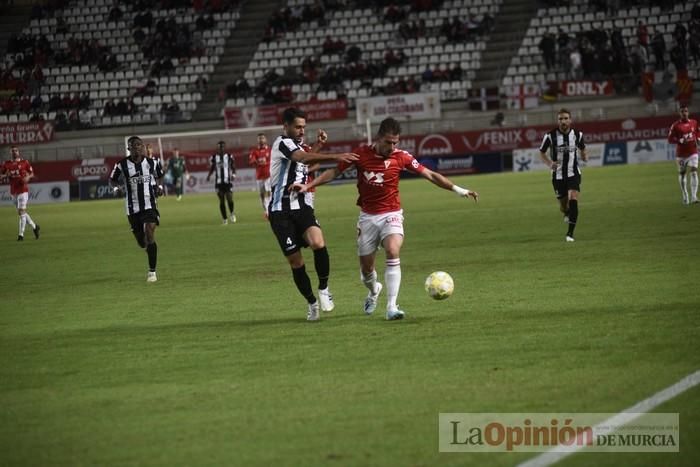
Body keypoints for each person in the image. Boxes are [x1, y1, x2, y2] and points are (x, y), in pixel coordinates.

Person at [292, 117, 478, 321]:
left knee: (392, 249)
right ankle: (374, 290)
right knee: (366, 271)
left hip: (392, 214)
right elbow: (333, 172)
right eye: (388, 142)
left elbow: (431, 175)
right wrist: (308, 186)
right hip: (368, 218)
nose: (392, 147)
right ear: (379, 138)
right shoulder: (361, 154)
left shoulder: (401, 157)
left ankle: (392, 306)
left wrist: (459, 190)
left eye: (395, 142)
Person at [269, 107, 359, 321]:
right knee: (296, 262)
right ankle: (311, 303)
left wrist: (319, 145)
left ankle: (324, 288)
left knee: (318, 243)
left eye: (303, 127)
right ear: (286, 127)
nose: (301, 130)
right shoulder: (281, 143)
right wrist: (336, 155)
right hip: (280, 212)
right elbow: (302, 157)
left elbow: (305, 159)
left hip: (301, 206)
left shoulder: (299, 145)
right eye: (298, 127)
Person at [109, 136, 165, 282]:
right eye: (134, 145)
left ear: (143, 147)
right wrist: (116, 188)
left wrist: (159, 187)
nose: (137, 147)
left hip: (149, 205)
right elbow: (112, 179)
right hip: (132, 208)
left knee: (150, 231)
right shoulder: (121, 165)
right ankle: (147, 247)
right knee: (142, 242)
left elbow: (160, 176)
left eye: (139, 145)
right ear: (129, 149)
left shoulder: (152, 162)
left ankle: (152, 272)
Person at [539, 108, 588, 242]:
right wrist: (550, 164)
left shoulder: (578, 135)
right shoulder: (550, 136)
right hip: (558, 176)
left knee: (573, 198)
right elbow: (542, 153)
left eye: (566, 118)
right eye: (560, 119)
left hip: (573, 173)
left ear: (570, 120)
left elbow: (583, 148)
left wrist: (584, 156)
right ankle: (566, 212)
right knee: (563, 205)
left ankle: (570, 234)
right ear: (558, 121)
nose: (563, 121)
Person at [1, 145, 40, 241]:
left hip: (23, 190)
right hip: (13, 191)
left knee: (21, 212)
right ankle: (35, 227)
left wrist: (28, 177)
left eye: (16, 151)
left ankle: (21, 235)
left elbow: (32, 173)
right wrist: (6, 174)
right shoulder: (6, 164)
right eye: (12, 151)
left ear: (18, 152)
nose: (14, 152)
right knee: (21, 212)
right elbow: (1, 175)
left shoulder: (24, 162)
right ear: (10, 153)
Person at [667, 104, 700, 204]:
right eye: (682, 111)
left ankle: (694, 196)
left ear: (688, 112)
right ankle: (685, 195)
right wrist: (679, 140)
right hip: (681, 154)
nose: (684, 113)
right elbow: (669, 139)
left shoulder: (694, 122)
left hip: (693, 152)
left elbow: (698, 132)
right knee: (682, 173)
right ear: (679, 113)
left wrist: (698, 139)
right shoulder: (675, 125)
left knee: (694, 171)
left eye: (685, 111)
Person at [207, 141, 237, 224]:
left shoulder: (229, 156)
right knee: (221, 200)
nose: (221, 148)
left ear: (225, 147)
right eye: (219, 147)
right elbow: (212, 167)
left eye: (222, 147)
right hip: (219, 183)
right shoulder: (213, 157)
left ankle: (232, 213)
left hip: (228, 181)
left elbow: (233, 166)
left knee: (229, 198)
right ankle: (224, 218)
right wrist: (209, 175)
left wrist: (234, 174)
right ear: (218, 148)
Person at [248, 133, 271, 216]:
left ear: (265, 140)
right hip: (259, 176)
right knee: (262, 194)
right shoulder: (254, 151)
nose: (261, 140)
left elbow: (273, 161)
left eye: (262, 138)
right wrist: (256, 161)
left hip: (268, 175)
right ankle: (265, 210)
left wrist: (266, 162)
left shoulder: (270, 150)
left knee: (269, 192)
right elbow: (251, 161)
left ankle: (269, 211)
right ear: (257, 140)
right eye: (259, 138)